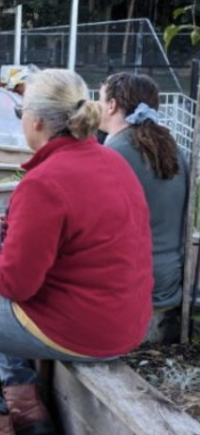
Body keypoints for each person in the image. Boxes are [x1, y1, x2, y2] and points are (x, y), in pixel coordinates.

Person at [0, 69, 152, 435]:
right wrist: (19, 230)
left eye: (19, 112)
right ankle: (26, 409)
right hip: (125, 323)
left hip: (85, 330)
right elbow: (82, 242)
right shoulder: (113, 162)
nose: (21, 120)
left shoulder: (45, 181)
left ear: (37, 120)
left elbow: (15, 284)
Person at [99, 73, 188, 342]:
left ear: (112, 105)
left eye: (100, 99)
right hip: (169, 283)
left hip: (133, 287)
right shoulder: (173, 149)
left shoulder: (113, 153)